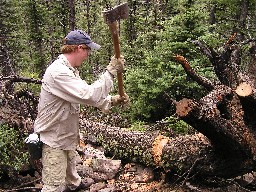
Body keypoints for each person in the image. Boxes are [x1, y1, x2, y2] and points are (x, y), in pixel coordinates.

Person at [33, 29, 129, 192]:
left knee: (70, 171)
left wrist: (111, 101)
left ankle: (73, 185)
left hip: (65, 133)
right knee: (54, 186)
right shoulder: (59, 72)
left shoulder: (69, 69)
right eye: (87, 50)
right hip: (53, 137)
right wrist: (110, 73)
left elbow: (80, 95)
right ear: (79, 48)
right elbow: (89, 95)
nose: (88, 55)